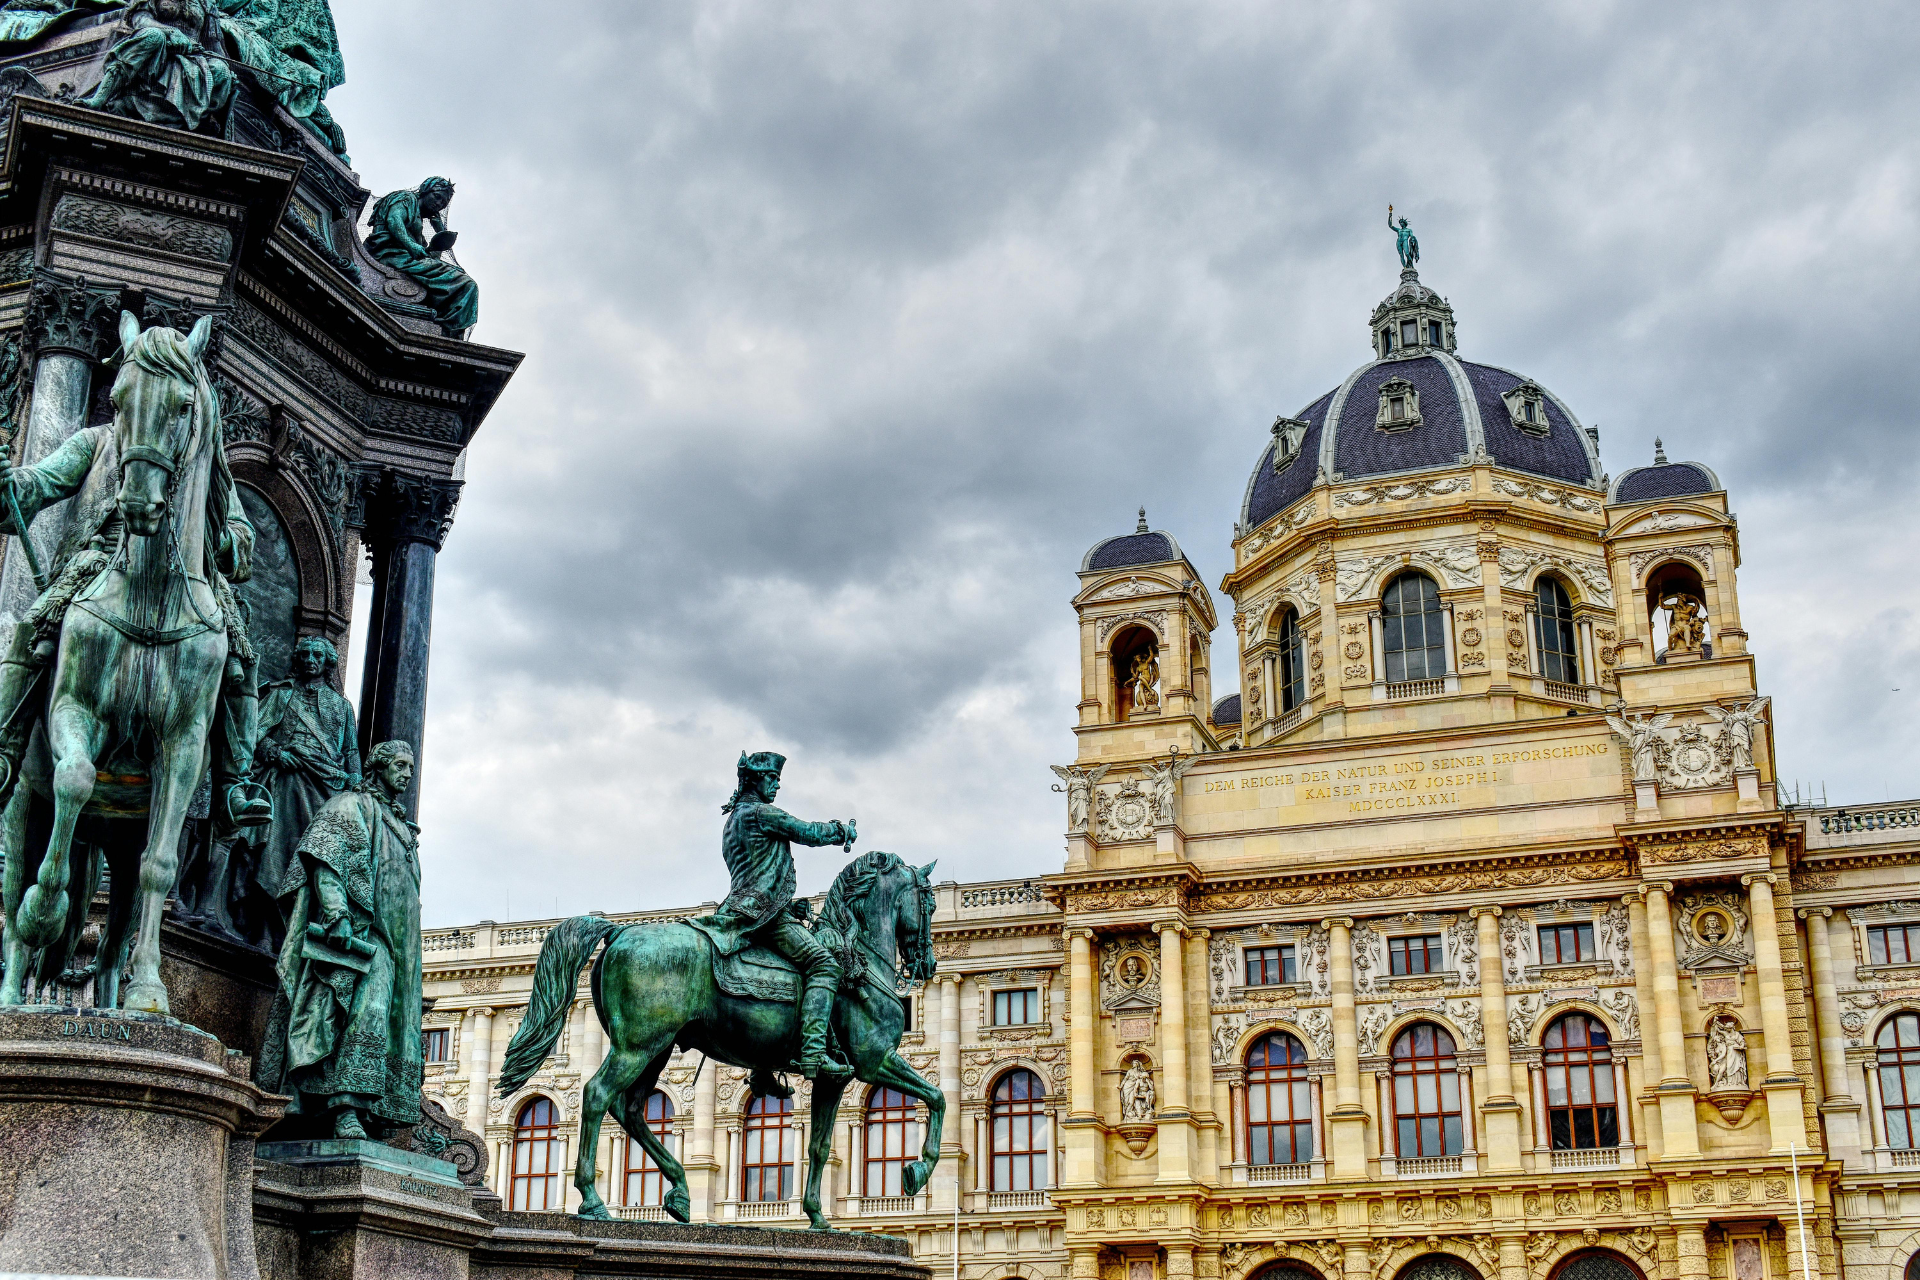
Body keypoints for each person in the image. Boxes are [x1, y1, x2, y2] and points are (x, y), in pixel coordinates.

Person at [256, 740, 422, 1139]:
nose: (407, 774)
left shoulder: (402, 824)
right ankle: (346, 1107)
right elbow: (324, 862)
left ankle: (379, 1111)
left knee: (397, 1022)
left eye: (411, 768)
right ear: (378, 766)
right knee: (368, 1009)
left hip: (404, 944)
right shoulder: (350, 806)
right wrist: (337, 914)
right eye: (400, 765)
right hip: (367, 933)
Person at [695, 751, 856, 1078]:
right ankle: (813, 1052)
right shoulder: (759, 813)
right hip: (763, 915)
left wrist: (788, 904)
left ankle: (762, 1072)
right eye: (772, 779)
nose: (777, 786)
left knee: (773, 974)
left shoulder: (732, 822)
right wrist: (841, 831)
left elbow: (755, 872)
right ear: (755, 780)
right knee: (823, 963)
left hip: (740, 910)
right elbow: (808, 832)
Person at [238, 634, 360, 950]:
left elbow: (350, 751)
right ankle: (265, 930)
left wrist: (356, 787)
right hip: (285, 781)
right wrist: (275, 753)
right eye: (304, 654)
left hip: (325, 789)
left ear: (327, 663)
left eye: (316, 656)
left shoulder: (342, 707)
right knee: (273, 854)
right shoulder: (282, 695)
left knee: (314, 861)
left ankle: (299, 931)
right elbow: (251, 732)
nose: (309, 660)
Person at [81, 0, 236, 133]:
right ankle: (100, 98)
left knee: (221, 70)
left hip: (192, 57)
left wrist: (227, 67)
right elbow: (140, 20)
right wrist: (171, 32)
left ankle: (190, 123)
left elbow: (214, 44)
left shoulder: (207, 3)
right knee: (153, 37)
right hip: (159, 50)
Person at [364, 177, 479, 335]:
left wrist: (440, 231)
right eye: (437, 196)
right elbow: (394, 220)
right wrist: (411, 246)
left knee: (465, 284)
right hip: (390, 255)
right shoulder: (406, 198)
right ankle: (446, 330)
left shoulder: (418, 230)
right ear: (425, 190)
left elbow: (431, 259)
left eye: (443, 203)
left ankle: (446, 330)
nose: (439, 204)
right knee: (466, 284)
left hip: (405, 259)